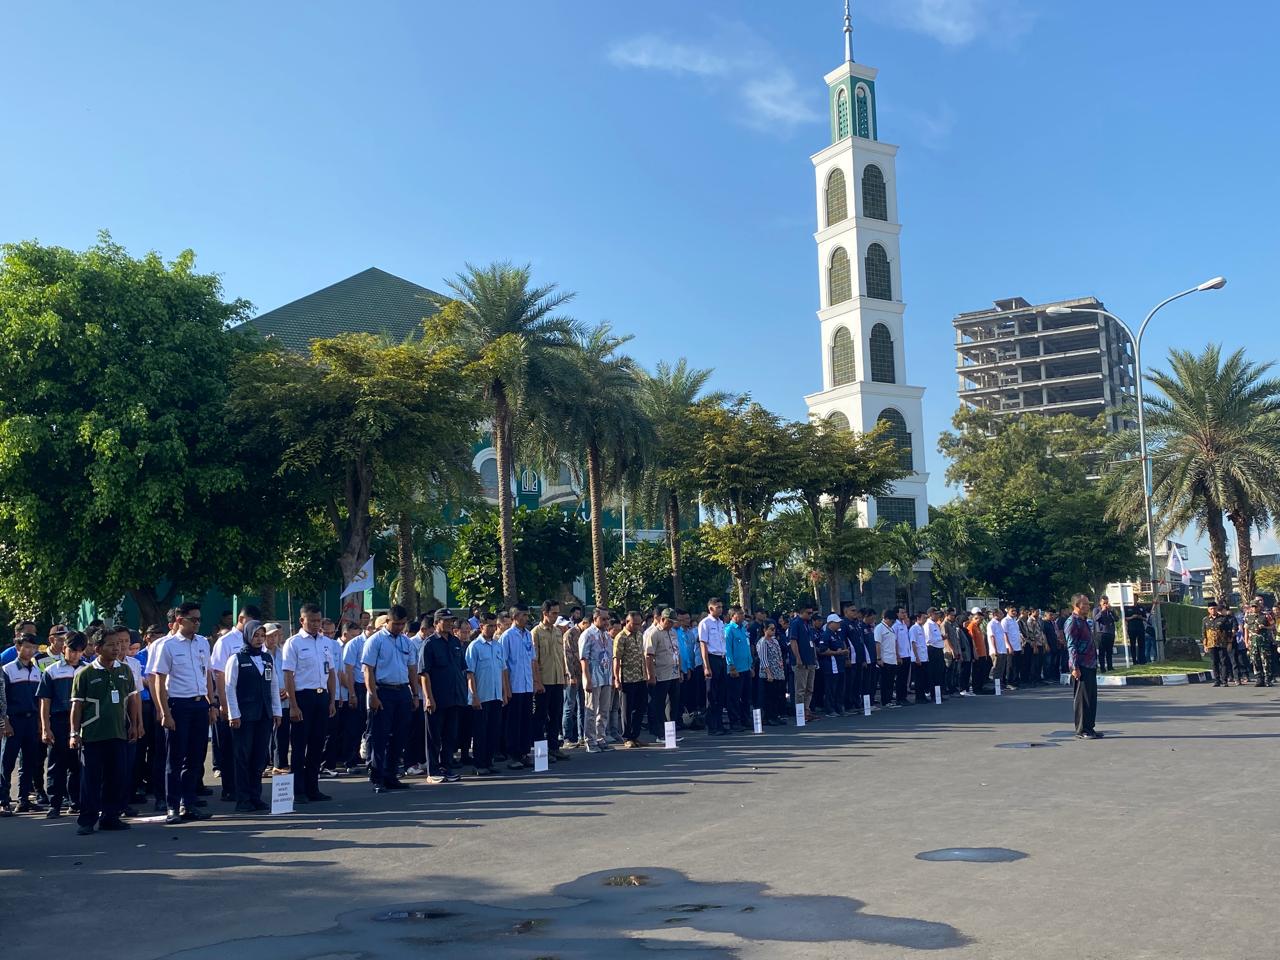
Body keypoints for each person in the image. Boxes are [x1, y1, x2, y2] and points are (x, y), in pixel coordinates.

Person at [69, 626, 140, 835]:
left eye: (118, 644)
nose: (117, 649)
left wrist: (135, 725)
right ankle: (87, 820)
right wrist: (74, 733)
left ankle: (110, 817)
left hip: (118, 734)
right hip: (92, 736)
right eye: (111, 645)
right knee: (90, 780)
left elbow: (133, 699)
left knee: (116, 777)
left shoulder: (125, 670)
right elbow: (77, 705)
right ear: (98, 648)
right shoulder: (85, 674)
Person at [151, 602, 215, 825]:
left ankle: (189, 803)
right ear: (179, 620)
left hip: (199, 705)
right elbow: (158, 679)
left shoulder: (202, 643)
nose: (197, 623)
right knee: (175, 758)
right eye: (193, 620)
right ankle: (172, 806)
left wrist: (212, 702)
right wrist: (164, 712)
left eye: (199, 619)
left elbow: (206, 673)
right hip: (178, 704)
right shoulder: (166, 645)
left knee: (195, 758)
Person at [281, 603, 337, 802]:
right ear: (302, 620)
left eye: (318, 621)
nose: (315, 624)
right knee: (299, 746)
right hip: (302, 697)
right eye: (312, 621)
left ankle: (313, 788)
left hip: (321, 697)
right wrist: (293, 705)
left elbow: (331, 672)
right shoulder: (293, 643)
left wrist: (332, 699)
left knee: (317, 744)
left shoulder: (325, 642)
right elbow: (288, 675)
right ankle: (298, 790)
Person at [224, 620, 281, 812]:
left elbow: (273, 685)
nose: (259, 639)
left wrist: (277, 711)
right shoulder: (237, 659)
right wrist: (234, 714)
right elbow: (229, 688)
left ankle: (256, 796)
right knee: (242, 757)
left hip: (264, 714)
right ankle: (243, 799)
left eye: (262, 636)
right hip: (244, 715)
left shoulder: (267, 658)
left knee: (259, 758)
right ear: (248, 636)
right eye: (256, 635)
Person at [209, 604, 264, 803]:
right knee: (231, 748)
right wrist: (224, 704)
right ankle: (230, 788)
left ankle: (250, 791)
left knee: (251, 751)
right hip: (232, 704)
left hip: (254, 706)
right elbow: (219, 675)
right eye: (251, 623)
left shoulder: (258, 642)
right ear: (241, 620)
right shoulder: (225, 642)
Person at [361, 606, 418, 793]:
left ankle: (391, 775)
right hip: (383, 691)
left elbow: (411, 669)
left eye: (402, 624)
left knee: (400, 736)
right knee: (380, 736)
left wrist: (415, 694)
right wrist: (373, 696)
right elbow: (368, 669)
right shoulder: (375, 641)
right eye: (396, 624)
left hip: (402, 692)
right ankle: (378, 777)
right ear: (387, 622)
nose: (399, 627)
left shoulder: (406, 642)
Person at [37, 632, 87, 818]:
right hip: (58, 720)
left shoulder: (88, 669)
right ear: (64, 648)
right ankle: (54, 804)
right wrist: (45, 727)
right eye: (72, 650)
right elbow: (45, 701)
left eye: (80, 651)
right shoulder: (52, 670)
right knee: (56, 765)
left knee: (78, 765)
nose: (75, 655)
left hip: (82, 722)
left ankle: (75, 801)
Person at [420, 608, 468, 783]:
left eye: (450, 620)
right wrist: (428, 698)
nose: (449, 623)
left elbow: (462, 669)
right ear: (436, 623)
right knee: (434, 736)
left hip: (455, 696)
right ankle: (433, 771)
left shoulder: (455, 642)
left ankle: (446, 767)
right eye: (445, 620)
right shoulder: (430, 644)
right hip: (437, 697)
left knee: (450, 735)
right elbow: (424, 674)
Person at [1, 634, 43, 814]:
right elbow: (2, 699)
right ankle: (3, 800)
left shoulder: (37, 670)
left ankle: (24, 799)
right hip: (13, 720)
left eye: (33, 648)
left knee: (29, 761)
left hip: (32, 720)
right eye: (26, 647)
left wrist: (41, 723)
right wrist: (4, 722)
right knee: (7, 762)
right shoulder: (7, 670)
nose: (30, 651)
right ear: (18, 648)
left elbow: (41, 699)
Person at [465, 613, 506, 775]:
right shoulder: (474, 647)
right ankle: (479, 764)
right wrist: (474, 695)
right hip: (481, 696)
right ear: (481, 627)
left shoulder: (497, 646)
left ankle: (489, 762)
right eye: (489, 625)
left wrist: (504, 692)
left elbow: (502, 670)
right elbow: (470, 673)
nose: (492, 629)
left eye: (494, 625)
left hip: (495, 695)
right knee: (480, 732)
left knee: (493, 731)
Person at [531, 601, 569, 762]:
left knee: (556, 715)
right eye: (553, 613)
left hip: (557, 679)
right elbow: (534, 660)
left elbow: (561, 656)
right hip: (543, 681)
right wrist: (537, 682)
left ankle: (554, 748)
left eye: (557, 613)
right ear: (545, 613)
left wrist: (565, 675)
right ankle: (541, 754)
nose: (555, 616)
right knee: (540, 718)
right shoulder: (536, 632)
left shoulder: (558, 632)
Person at [499, 605, 536, 769]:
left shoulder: (528, 635)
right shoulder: (507, 636)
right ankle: (513, 755)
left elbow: (532, 660)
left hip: (527, 685)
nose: (526, 618)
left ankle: (524, 752)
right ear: (515, 617)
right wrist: (506, 689)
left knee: (526, 721)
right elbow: (503, 665)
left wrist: (536, 681)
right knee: (513, 722)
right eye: (524, 615)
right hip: (514, 685)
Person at [579, 608, 614, 753]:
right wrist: (586, 679)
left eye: (607, 619)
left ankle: (601, 737)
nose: (606, 622)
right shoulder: (587, 635)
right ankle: (590, 740)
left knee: (604, 710)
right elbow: (584, 658)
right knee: (591, 710)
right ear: (595, 619)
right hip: (593, 677)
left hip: (606, 676)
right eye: (603, 619)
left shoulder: (607, 636)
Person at [1065, 594, 1100, 739]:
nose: (1088, 606)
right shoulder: (1072, 622)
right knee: (1082, 700)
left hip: (1090, 663)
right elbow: (1071, 645)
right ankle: (1081, 730)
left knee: (1091, 698)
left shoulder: (1084, 621)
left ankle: (1090, 727)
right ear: (1077, 605)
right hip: (1080, 665)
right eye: (1085, 604)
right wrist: (1074, 667)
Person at [613, 610, 650, 748]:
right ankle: (627, 737)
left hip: (640, 676)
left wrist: (646, 674)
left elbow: (642, 655)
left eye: (639, 624)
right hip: (627, 678)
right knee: (627, 709)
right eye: (635, 624)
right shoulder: (621, 637)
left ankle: (635, 735)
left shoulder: (640, 635)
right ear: (627, 622)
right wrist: (617, 678)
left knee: (640, 708)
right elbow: (616, 659)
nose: (637, 626)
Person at [644, 608, 681, 740]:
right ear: (662, 619)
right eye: (669, 621)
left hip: (674, 673)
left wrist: (680, 670)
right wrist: (651, 675)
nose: (671, 624)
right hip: (660, 673)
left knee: (674, 704)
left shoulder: (673, 633)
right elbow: (648, 656)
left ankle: (671, 732)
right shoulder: (654, 633)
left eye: (673, 622)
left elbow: (677, 652)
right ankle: (660, 733)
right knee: (659, 704)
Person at [698, 598, 728, 735]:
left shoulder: (721, 623)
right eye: (718, 607)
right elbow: (703, 644)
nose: (721, 609)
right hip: (712, 659)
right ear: (711, 609)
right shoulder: (705, 623)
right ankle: (712, 727)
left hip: (722, 659)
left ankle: (720, 724)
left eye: (721, 607)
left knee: (721, 694)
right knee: (712, 694)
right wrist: (706, 666)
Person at [723, 606, 754, 730]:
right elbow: (727, 650)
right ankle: (735, 722)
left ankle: (745, 719)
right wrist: (731, 666)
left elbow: (747, 648)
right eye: (740, 614)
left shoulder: (743, 629)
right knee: (734, 697)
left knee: (746, 697)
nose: (743, 616)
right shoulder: (729, 630)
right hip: (736, 669)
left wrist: (751, 665)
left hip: (746, 667)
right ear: (733, 616)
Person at [787, 604, 818, 722]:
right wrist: (798, 658)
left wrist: (814, 658)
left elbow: (812, 642)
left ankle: (807, 709)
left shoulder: (808, 624)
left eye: (811, 613)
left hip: (810, 660)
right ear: (802, 612)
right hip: (801, 661)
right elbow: (793, 641)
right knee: (800, 689)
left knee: (809, 688)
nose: (810, 615)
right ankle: (800, 713)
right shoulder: (795, 623)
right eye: (808, 613)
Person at [561, 610, 585, 747]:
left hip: (583, 675)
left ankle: (582, 736)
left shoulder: (585, 634)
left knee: (583, 706)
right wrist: (571, 675)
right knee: (569, 707)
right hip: (572, 676)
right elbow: (567, 656)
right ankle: (567, 738)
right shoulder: (570, 634)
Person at [755, 620, 786, 725]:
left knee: (777, 695)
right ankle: (768, 717)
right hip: (768, 673)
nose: (773, 631)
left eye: (774, 629)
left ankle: (775, 715)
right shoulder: (763, 642)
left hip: (778, 672)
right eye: (771, 629)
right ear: (764, 630)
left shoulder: (775, 641)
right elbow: (763, 659)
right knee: (769, 696)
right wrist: (768, 673)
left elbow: (779, 655)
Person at [816, 614, 846, 717]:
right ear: (830, 623)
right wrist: (836, 652)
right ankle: (830, 709)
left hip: (839, 665)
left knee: (839, 687)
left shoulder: (837, 634)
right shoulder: (826, 635)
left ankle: (839, 707)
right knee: (831, 688)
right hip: (831, 665)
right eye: (836, 622)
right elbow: (822, 651)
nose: (838, 624)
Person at [1203, 602, 1237, 687]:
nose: (1213, 610)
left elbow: (1229, 632)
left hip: (1222, 644)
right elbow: (1204, 633)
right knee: (1214, 662)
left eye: (1214, 608)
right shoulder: (1205, 620)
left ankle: (1224, 680)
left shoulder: (1223, 619)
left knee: (1223, 662)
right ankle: (1217, 680)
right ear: (1208, 610)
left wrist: (1229, 643)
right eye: (1211, 609)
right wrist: (1205, 645)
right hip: (1211, 644)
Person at [1244, 600, 1274, 688]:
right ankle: (1259, 679)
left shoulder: (1266, 616)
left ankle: (1267, 679)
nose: (1254, 608)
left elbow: (1273, 626)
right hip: (1253, 642)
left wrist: (1264, 627)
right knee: (1255, 661)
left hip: (1263, 641)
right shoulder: (1248, 617)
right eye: (1252, 606)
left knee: (1266, 660)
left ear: (1259, 607)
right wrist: (1246, 642)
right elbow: (1246, 629)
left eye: (1255, 606)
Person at [873, 609, 898, 708]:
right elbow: (877, 643)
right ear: (886, 618)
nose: (893, 623)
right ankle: (885, 701)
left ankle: (889, 699)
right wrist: (879, 658)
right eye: (892, 621)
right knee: (885, 681)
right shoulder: (879, 628)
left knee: (891, 681)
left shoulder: (891, 629)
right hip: (885, 659)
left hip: (892, 658)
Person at [925, 608, 946, 700]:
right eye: (936, 614)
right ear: (930, 614)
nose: (938, 616)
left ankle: (939, 694)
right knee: (934, 673)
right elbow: (929, 640)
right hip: (932, 650)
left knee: (940, 672)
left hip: (939, 649)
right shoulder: (928, 625)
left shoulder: (936, 624)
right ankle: (934, 695)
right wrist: (941, 638)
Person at [968, 609, 990, 694]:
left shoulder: (978, 626)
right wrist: (974, 653)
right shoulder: (971, 626)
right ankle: (976, 688)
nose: (980, 621)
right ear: (974, 618)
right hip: (977, 653)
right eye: (979, 619)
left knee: (982, 671)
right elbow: (972, 641)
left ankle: (980, 687)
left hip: (982, 653)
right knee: (976, 672)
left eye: (981, 619)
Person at [1001, 605, 1023, 690]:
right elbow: (1005, 634)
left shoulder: (1015, 621)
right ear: (1008, 611)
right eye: (1012, 611)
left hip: (1017, 646)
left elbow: (1017, 634)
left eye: (1015, 611)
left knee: (1016, 665)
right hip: (1010, 646)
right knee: (1010, 665)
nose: (1014, 612)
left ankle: (1015, 681)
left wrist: (1020, 645)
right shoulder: (1005, 621)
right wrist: (1009, 646)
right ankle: (1009, 682)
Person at [987, 609, 1009, 692]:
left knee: (1001, 669)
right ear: (995, 614)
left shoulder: (999, 624)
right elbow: (991, 637)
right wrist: (994, 649)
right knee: (996, 669)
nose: (1002, 615)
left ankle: (999, 686)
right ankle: (996, 687)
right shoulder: (991, 624)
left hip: (1002, 650)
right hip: (996, 650)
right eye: (1001, 613)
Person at [1094, 597, 1118, 674]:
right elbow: (1095, 619)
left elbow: (1117, 619)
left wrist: (1112, 611)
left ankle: (1110, 666)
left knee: (1109, 651)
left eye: (1107, 603)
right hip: (1101, 633)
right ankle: (1102, 667)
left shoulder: (1110, 610)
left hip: (1110, 632)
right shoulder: (1096, 610)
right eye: (1104, 603)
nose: (1106, 604)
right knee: (1102, 651)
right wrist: (1102, 611)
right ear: (1100, 603)